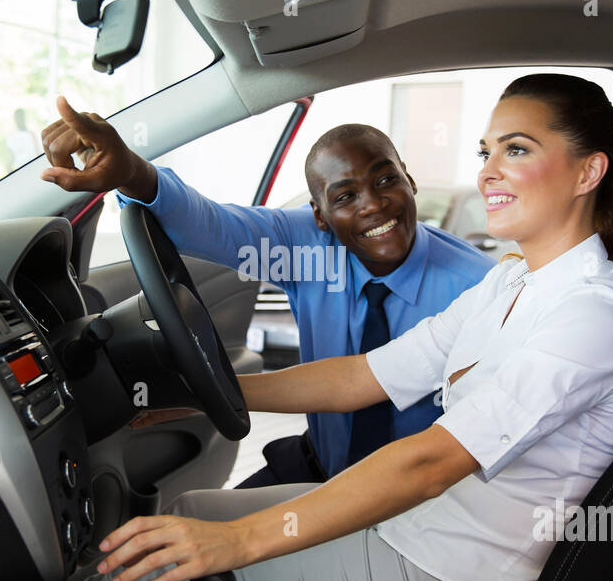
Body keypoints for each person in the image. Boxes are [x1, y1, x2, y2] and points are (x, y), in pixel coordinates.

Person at [0, 73, 613, 581]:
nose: (487, 172)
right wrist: (209, 390)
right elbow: (361, 377)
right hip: (413, 528)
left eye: (516, 149)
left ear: (587, 171)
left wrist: (236, 544)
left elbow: (429, 462)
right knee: (179, 516)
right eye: (485, 152)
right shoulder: (513, 283)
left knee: (149, 574)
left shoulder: (593, 314)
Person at [37, 96, 493, 487]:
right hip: (321, 467)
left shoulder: (478, 288)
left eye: (385, 180)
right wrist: (130, 172)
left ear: (409, 181)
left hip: (420, 499)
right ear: (319, 215)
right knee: (194, 536)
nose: (373, 205)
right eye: (345, 196)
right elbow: (208, 224)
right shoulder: (305, 246)